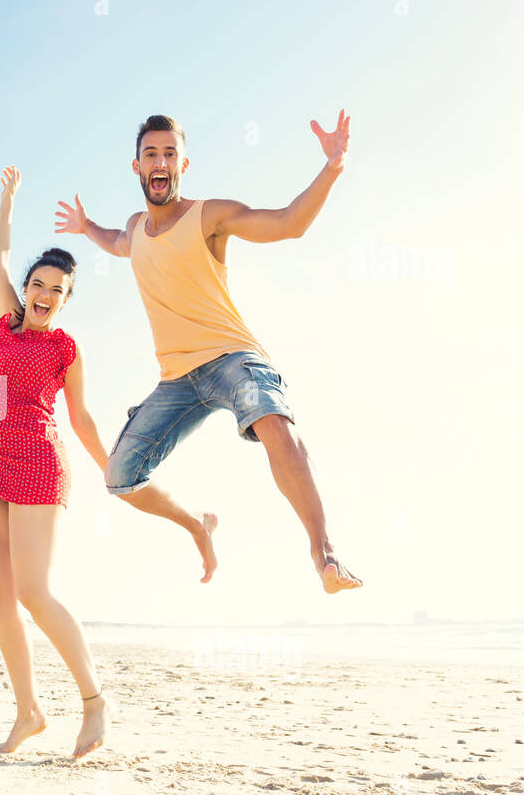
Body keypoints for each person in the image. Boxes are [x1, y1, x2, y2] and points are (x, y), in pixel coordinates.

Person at [55, 111, 361, 593]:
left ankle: (325, 554)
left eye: (170, 154)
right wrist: (86, 224)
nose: (160, 162)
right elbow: (115, 242)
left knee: (272, 419)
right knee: (119, 476)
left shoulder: (209, 217)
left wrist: (332, 167)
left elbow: (287, 223)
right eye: (151, 154)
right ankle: (199, 524)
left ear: (183, 164)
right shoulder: (136, 228)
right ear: (136, 167)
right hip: (177, 382)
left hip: (232, 357)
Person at [0, 166, 111, 759]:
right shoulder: (5, 320)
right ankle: (28, 712)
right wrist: (7, 198)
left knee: (33, 589)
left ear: (66, 299)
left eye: (58, 289)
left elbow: (80, 417)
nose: (45, 294)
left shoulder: (64, 347)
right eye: (40, 283)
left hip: (36, 460)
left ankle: (94, 701)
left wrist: (113, 467)